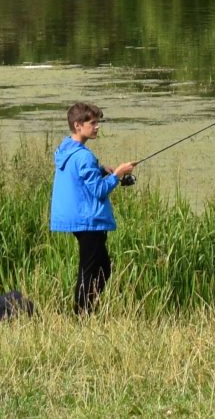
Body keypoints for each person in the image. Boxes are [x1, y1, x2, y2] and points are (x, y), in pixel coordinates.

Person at [50, 100, 135, 314]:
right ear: (78, 125)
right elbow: (98, 191)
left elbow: (81, 176)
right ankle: (81, 314)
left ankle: (86, 309)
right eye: (93, 123)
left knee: (102, 268)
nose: (97, 127)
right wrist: (117, 174)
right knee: (90, 270)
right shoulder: (83, 156)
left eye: (98, 123)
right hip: (89, 220)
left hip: (79, 218)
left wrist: (100, 169)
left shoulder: (66, 149)